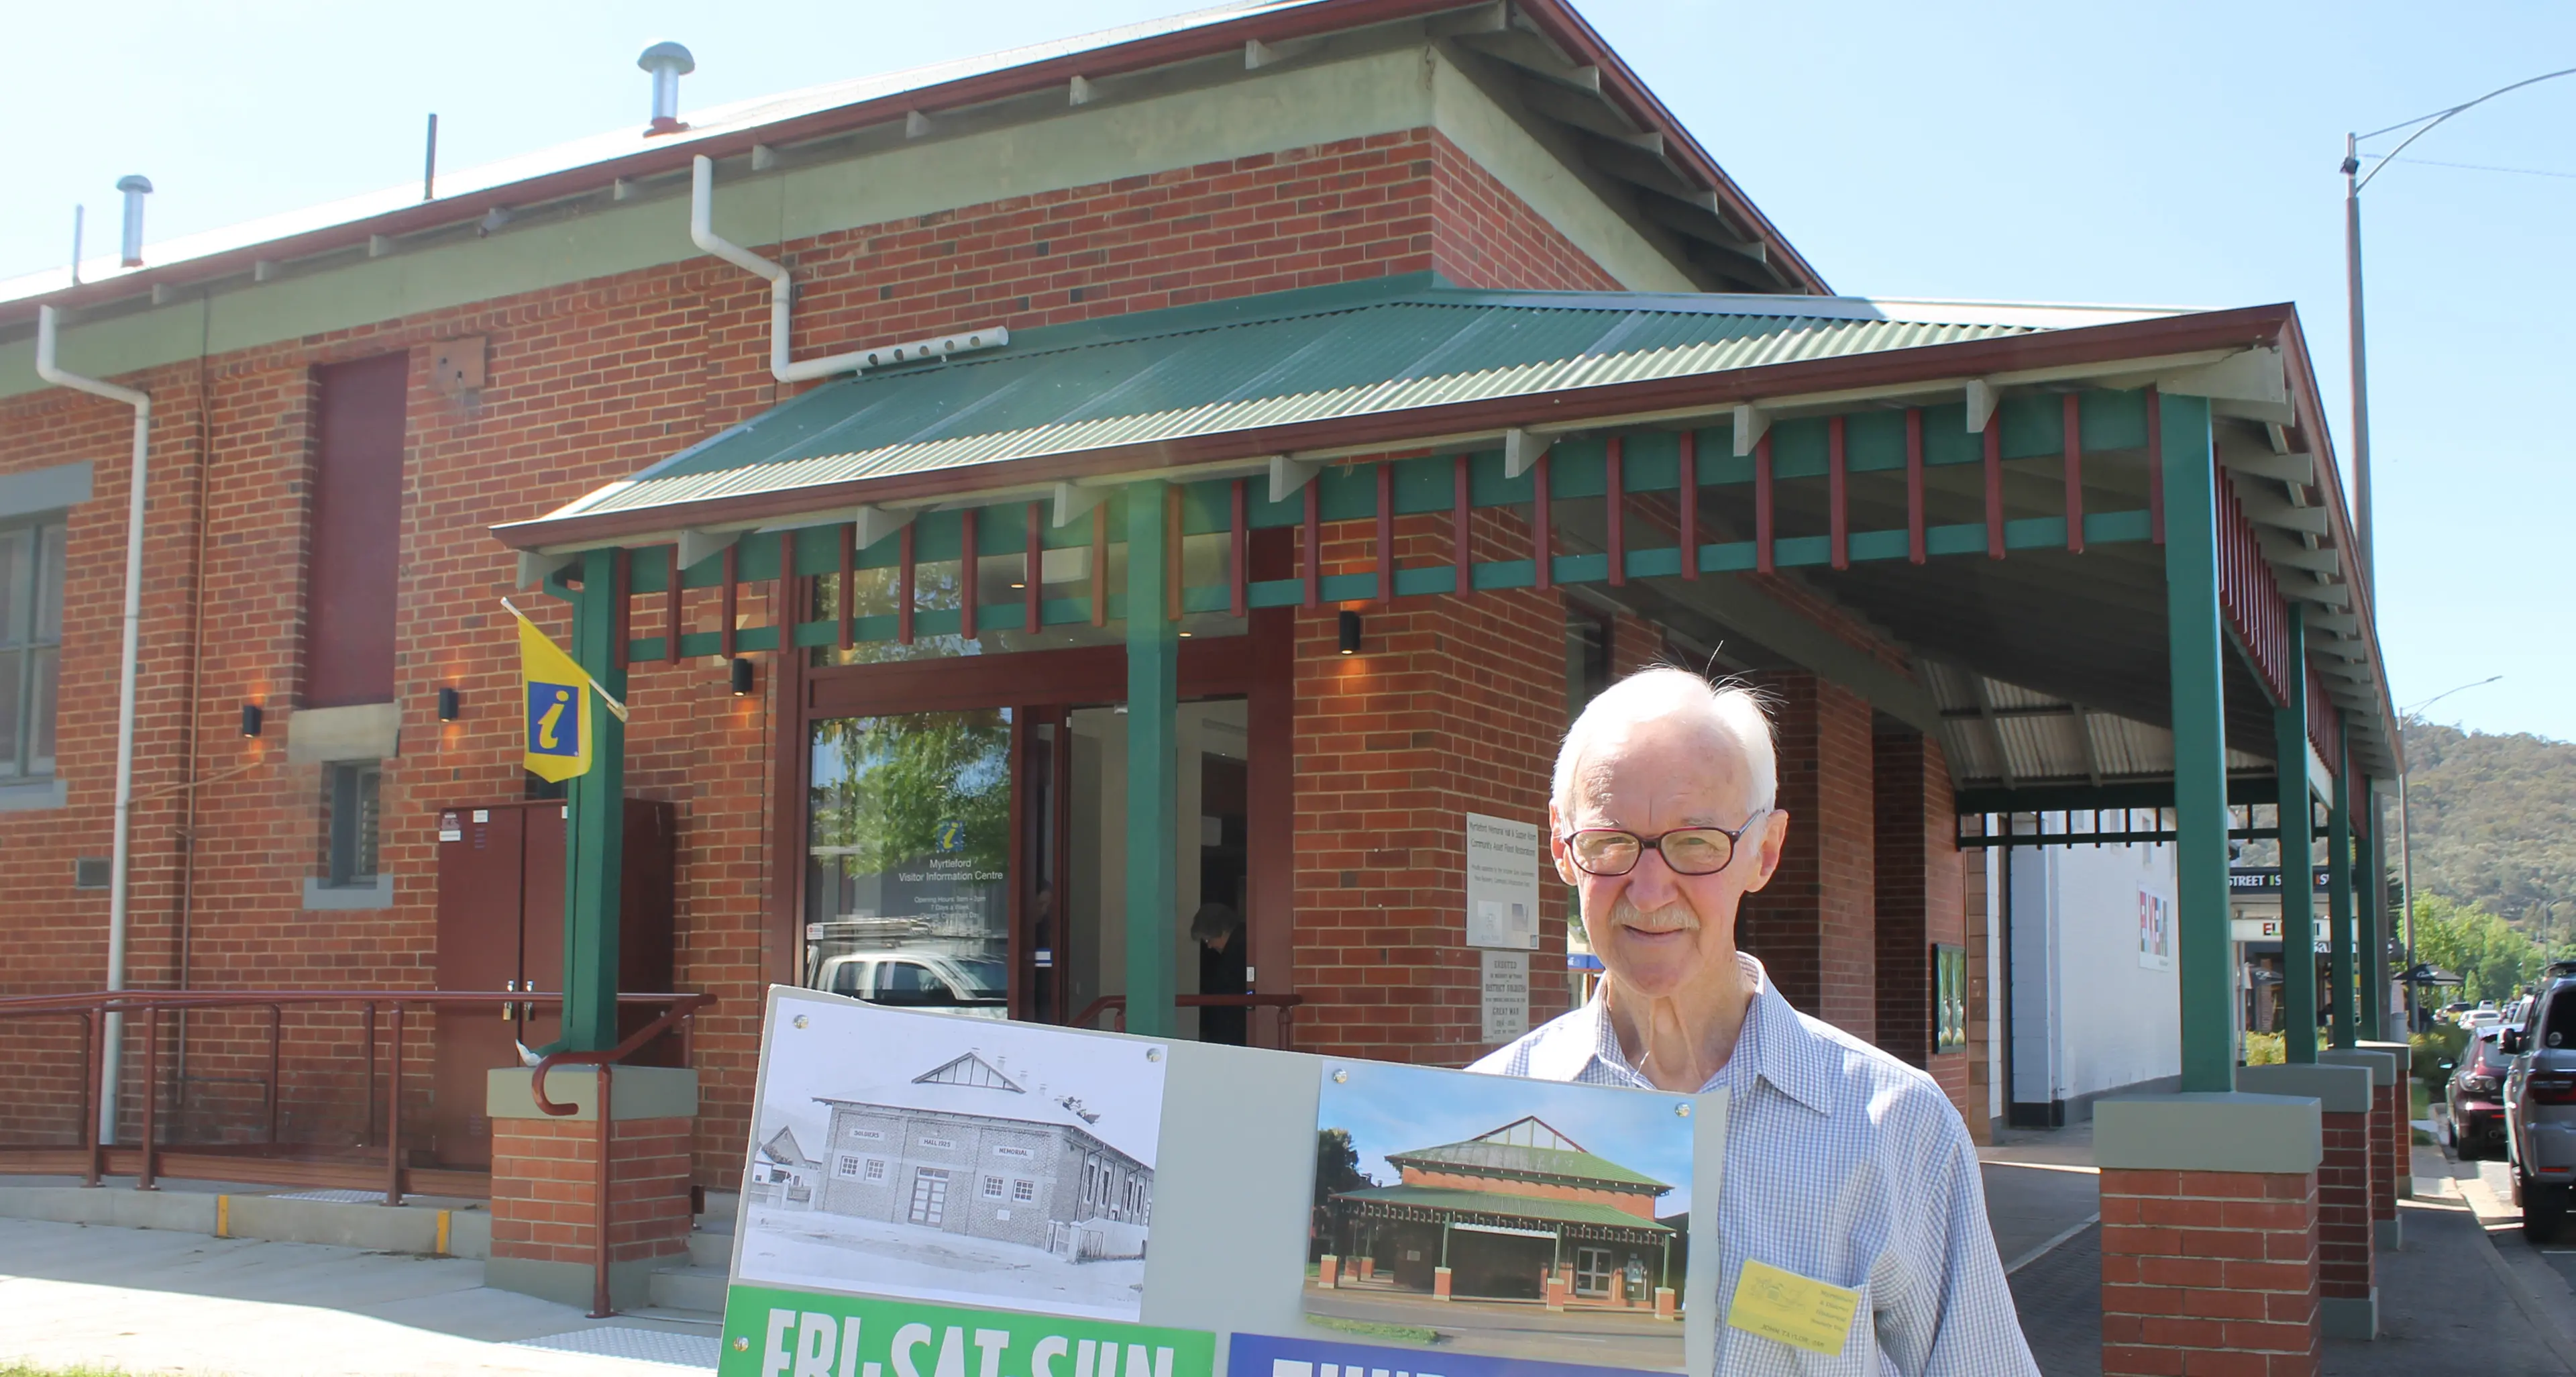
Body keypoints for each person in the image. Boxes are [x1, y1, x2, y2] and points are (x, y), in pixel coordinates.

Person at [1474, 667, 2036, 1375]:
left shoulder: (1900, 1130)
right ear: (1562, 849)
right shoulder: (1481, 1114)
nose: (1648, 892)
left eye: (1696, 842)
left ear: (1764, 853)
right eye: (1611, 843)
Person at [1190, 901, 1248, 1046]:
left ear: (1222, 931)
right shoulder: (1241, 946)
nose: (1209, 946)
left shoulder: (1237, 953)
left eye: (1209, 939)